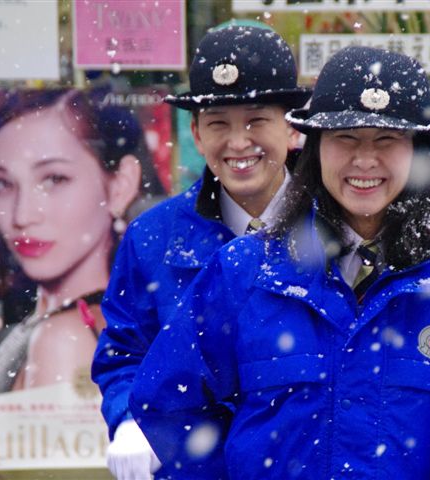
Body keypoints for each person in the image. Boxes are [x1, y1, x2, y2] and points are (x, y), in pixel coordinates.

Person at [128, 46, 430, 479]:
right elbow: (169, 402)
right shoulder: (244, 271)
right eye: (345, 138)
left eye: (387, 139)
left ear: (418, 150)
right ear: (316, 147)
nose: (365, 160)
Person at [91, 24, 311, 480]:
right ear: (194, 132)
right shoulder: (153, 237)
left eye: (256, 120)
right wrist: (130, 418)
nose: (238, 142)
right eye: (218, 124)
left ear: (291, 127)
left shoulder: (336, 231)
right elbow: (126, 353)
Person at [0, 88, 160, 399]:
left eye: (54, 179)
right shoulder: (95, 320)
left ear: (121, 185)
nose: (22, 215)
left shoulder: (64, 338)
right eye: (2, 183)